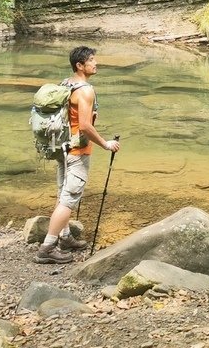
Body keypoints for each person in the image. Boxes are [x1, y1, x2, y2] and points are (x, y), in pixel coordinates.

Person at [34, 45, 120, 264]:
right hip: (77, 152)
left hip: (62, 149)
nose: (96, 63)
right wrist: (106, 144)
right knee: (69, 199)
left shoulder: (66, 84)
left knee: (63, 194)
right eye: (91, 60)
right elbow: (84, 126)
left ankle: (65, 237)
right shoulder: (85, 90)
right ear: (80, 65)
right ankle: (47, 248)